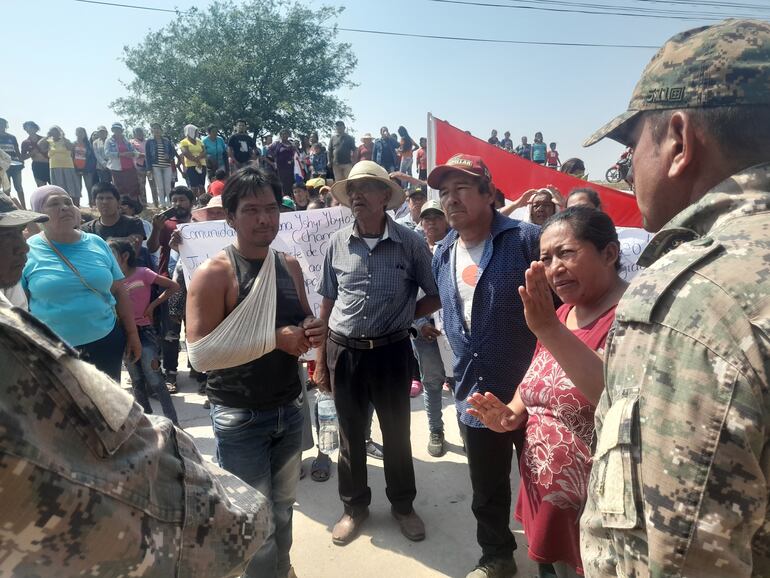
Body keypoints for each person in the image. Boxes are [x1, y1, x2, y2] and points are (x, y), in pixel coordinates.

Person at [579, 18, 770, 577]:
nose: (630, 167)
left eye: (635, 144)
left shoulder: (690, 302)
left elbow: (671, 560)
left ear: (680, 141)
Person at [0, 192, 272, 578]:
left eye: (17, 231)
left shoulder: (93, 245)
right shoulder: (16, 328)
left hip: (101, 347)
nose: (18, 244)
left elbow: (119, 294)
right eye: (5, 235)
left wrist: (130, 331)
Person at [468, 207, 627, 578]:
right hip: (546, 494)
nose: (554, 267)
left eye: (566, 253)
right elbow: (539, 372)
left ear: (609, 253)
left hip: (596, 514)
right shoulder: (563, 312)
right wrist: (511, 412)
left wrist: (548, 330)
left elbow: (613, 394)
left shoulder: (630, 317)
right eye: (544, 258)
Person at [186, 166, 326, 578]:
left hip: (288, 406)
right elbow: (200, 356)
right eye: (251, 210)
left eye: (270, 208)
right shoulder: (215, 274)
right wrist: (273, 339)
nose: (264, 218)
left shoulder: (289, 265)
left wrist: (311, 328)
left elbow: (300, 324)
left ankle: (282, 570)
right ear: (230, 217)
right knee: (253, 519)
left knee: (282, 510)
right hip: (240, 416)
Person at [314, 160, 441, 546]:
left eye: (366, 187)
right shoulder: (337, 242)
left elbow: (434, 293)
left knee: (397, 434)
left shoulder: (411, 242)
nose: (356, 194)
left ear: (385, 196)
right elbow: (326, 303)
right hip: (344, 352)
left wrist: (405, 314)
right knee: (351, 436)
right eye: (352, 188)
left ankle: (403, 506)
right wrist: (320, 360)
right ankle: (355, 507)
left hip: (391, 353)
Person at [427, 153, 540, 578]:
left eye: (461, 189)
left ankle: (553, 561)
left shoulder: (527, 239)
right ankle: (496, 557)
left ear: (489, 194)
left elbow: (563, 314)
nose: (450, 199)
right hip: (476, 395)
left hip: (532, 395)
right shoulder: (443, 253)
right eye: (444, 193)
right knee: (487, 489)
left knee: (546, 486)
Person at [22, 185, 141, 381]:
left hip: (106, 342)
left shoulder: (97, 243)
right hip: (53, 350)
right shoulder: (27, 250)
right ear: (38, 214)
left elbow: (119, 290)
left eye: (68, 202)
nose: (64, 207)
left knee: (108, 405)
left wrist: (132, 334)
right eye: (54, 203)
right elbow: (20, 304)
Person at [109, 237, 180, 424]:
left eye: (111, 253)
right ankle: (147, 424)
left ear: (124, 256)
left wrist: (152, 306)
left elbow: (174, 286)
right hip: (124, 333)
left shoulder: (143, 273)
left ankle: (174, 424)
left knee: (155, 378)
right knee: (136, 381)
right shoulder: (110, 279)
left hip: (145, 332)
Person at [413, 199, 451, 457]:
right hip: (426, 334)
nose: (431, 222)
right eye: (427, 218)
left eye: (437, 217)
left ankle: (468, 428)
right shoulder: (413, 252)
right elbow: (406, 295)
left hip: (456, 332)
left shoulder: (458, 249)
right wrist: (420, 323)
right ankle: (436, 430)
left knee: (462, 383)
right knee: (433, 383)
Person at [82, 181, 146, 253]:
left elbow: (135, 249)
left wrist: (105, 242)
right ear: (94, 202)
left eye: (109, 198)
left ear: (118, 202)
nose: (105, 202)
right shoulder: (87, 229)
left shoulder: (134, 223)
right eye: (100, 198)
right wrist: (121, 240)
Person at [38, 126, 80, 205]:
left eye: (56, 131)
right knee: (59, 187)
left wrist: (63, 137)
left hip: (67, 166)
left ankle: (75, 204)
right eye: (52, 132)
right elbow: (39, 145)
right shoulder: (50, 141)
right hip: (54, 166)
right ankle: (62, 203)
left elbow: (71, 147)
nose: (54, 133)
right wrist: (47, 136)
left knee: (71, 187)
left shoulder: (65, 140)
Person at [104, 123, 141, 202]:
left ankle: (134, 205)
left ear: (122, 130)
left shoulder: (126, 140)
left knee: (133, 186)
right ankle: (123, 204)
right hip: (116, 168)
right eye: (115, 129)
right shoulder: (109, 141)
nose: (117, 131)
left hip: (130, 166)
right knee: (119, 187)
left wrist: (134, 154)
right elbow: (107, 154)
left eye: (119, 129)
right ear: (112, 130)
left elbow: (133, 151)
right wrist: (121, 154)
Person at [145, 122, 175, 208]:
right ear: (152, 130)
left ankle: (169, 203)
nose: (156, 130)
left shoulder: (166, 141)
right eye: (154, 128)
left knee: (168, 186)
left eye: (158, 128)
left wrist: (169, 156)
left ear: (161, 130)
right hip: (156, 166)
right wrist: (149, 169)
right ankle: (162, 204)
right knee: (160, 186)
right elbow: (147, 156)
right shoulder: (149, 142)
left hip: (167, 165)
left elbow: (173, 152)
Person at [131, 127, 157, 207]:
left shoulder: (148, 141)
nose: (140, 133)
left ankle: (156, 203)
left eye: (141, 132)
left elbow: (152, 152)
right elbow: (134, 153)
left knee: (153, 184)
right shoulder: (132, 142)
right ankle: (144, 204)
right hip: (140, 166)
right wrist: (145, 155)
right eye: (137, 132)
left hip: (149, 167)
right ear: (134, 133)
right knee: (141, 186)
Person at [0, 118, 24, 206]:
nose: (1, 126)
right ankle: (9, 207)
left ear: (6, 125)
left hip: (16, 164)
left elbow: (17, 150)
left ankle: (23, 207)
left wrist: (21, 161)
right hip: (3, 166)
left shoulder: (12, 137)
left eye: (3, 124)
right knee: (6, 188)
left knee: (19, 186)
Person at [179, 124, 207, 198]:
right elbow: (185, 153)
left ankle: (203, 202)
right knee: (194, 186)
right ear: (190, 131)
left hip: (202, 165)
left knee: (201, 185)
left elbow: (204, 152)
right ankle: (193, 202)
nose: (197, 133)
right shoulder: (183, 142)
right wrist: (197, 160)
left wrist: (198, 158)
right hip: (191, 165)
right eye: (195, 131)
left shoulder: (199, 141)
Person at [268, 129, 298, 197]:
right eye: (283, 134)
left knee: (291, 183)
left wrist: (293, 160)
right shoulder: (276, 144)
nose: (284, 135)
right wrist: (273, 162)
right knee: (282, 184)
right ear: (280, 135)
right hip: (280, 168)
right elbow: (267, 153)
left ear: (288, 135)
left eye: (286, 133)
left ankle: (292, 199)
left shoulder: (292, 145)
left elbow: (297, 154)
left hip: (291, 168)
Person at [73, 127, 98, 207]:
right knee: (77, 187)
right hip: (75, 168)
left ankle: (92, 204)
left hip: (87, 169)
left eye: (82, 132)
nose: (80, 134)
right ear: (76, 133)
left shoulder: (89, 145)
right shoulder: (73, 144)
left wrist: (91, 168)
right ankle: (77, 205)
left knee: (89, 187)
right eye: (78, 132)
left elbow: (92, 158)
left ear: (85, 134)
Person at [21, 121, 49, 190]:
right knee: (42, 188)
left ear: (35, 128)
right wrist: (32, 153)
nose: (29, 129)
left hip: (49, 165)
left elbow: (53, 150)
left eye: (30, 127)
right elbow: (23, 157)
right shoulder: (25, 142)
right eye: (26, 128)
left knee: (55, 187)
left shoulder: (45, 139)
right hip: (37, 166)